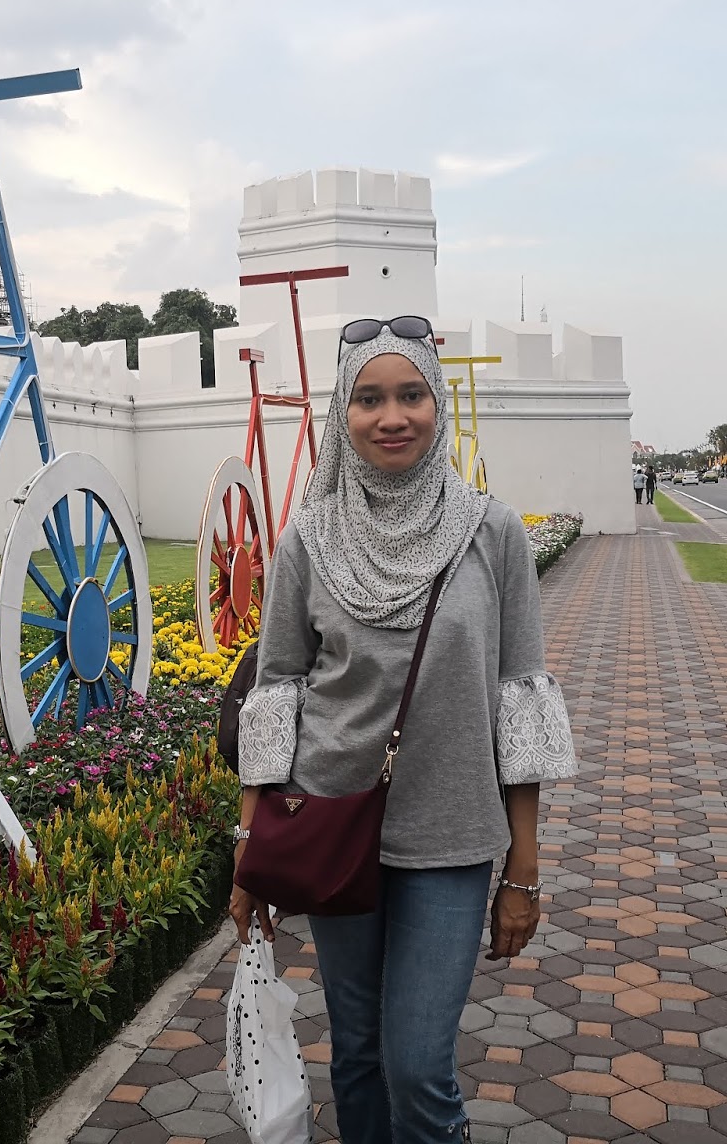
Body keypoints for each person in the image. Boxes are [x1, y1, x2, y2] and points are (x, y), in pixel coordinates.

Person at [229, 317, 577, 1144]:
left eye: (412, 395)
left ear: (437, 405)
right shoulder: (310, 539)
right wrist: (251, 849)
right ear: (343, 415)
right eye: (369, 399)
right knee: (356, 1052)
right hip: (331, 825)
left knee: (418, 1065)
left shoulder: (491, 531)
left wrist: (524, 869)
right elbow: (276, 692)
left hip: (450, 838)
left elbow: (518, 699)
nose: (392, 417)